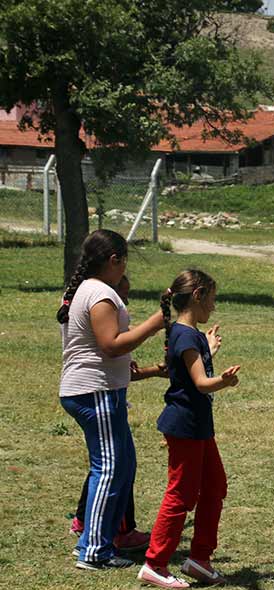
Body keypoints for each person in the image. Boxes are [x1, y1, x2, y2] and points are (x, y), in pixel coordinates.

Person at [58, 230, 165, 570]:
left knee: (121, 465)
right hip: (95, 391)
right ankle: (94, 551)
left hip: (100, 389)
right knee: (109, 468)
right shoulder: (100, 293)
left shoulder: (88, 289)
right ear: (114, 260)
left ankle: (97, 539)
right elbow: (111, 344)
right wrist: (156, 323)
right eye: (124, 262)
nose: (125, 269)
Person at [137, 270, 241, 590]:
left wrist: (208, 348)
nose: (214, 305)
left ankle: (200, 559)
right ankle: (155, 564)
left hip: (197, 426)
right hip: (185, 426)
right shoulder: (184, 335)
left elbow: (191, 368)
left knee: (214, 486)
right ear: (197, 296)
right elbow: (200, 382)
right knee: (181, 494)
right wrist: (223, 381)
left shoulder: (188, 334)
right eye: (212, 298)